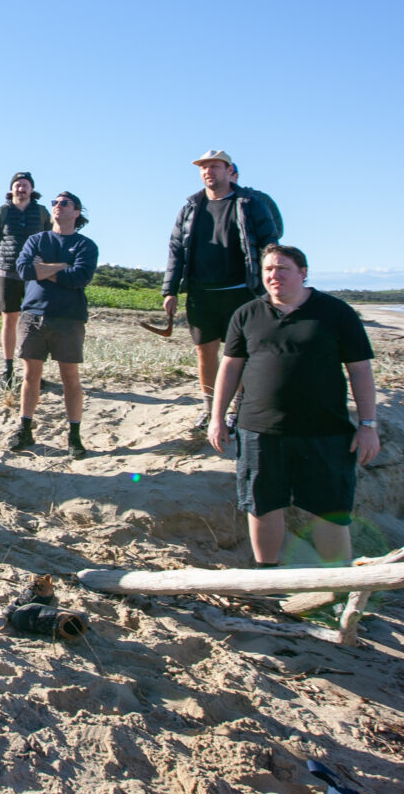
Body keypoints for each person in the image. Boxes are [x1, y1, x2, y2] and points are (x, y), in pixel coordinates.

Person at [205, 244, 378, 568]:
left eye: (282, 268)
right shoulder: (247, 314)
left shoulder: (336, 312)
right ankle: (268, 577)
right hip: (259, 429)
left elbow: (360, 370)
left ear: (303, 272)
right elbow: (230, 367)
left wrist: (368, 425)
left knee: (329, 509)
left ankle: (339, 582)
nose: (274, 275)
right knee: (262, 505)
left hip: (325, 430)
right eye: (268, 269)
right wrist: (217, 417)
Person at [162, 150, 285, 404]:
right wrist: (170, 291)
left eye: (215, 166)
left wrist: (271, 285)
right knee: (204, 351)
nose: (208, 171)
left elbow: (269, 245)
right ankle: (210, 407)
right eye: (204, 167)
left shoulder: (250, 204)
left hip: (240, 291)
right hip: (200, 293)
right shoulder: (191, 208)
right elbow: (176, 250)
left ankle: (236, 407)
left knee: (237, 353)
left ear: (229, 171)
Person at [14, 190, 98, 458]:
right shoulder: (36, 240)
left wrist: (45, 269)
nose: (57, 206)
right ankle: (24, 429)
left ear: (77, 212)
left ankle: (74, 436)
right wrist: (62, 266)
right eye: (55, 203)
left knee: (70, 378)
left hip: (69, 318)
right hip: (33, 315)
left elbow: (79, 277)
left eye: (64, 203)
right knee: (30, 376)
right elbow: (24, 270)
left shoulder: (85, 245)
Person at [0, 172, 51, 388]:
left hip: (35, 275)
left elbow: (50, 239)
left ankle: (33, 371)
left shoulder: (42, 213)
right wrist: (5, 261)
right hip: (7, 273)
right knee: (9, 319)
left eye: (25, 185)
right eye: (17, 185)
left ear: (32, 189)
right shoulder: (1, 212)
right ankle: (8, 369)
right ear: (11, 189)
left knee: (34, 321)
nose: (21, 189)